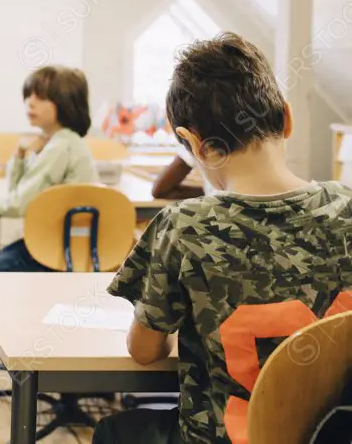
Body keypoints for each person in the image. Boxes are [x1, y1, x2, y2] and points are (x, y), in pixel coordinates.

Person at [94, 32, 352, 444]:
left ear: (195, 144)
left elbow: (145, 351)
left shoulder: (183, 226)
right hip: (330, 432)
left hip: (223, 436)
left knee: (114, 431)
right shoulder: (348, 206)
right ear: (287, 118)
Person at [0, 65, 98, 310]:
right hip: (63, 245)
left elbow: (18, 204)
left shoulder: (60, 148)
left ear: (64, 103)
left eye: (41, 97)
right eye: (28, 95)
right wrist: (22, 156)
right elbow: (18, 192)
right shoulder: (61, 143)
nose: (30, 103)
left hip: (54, 250)